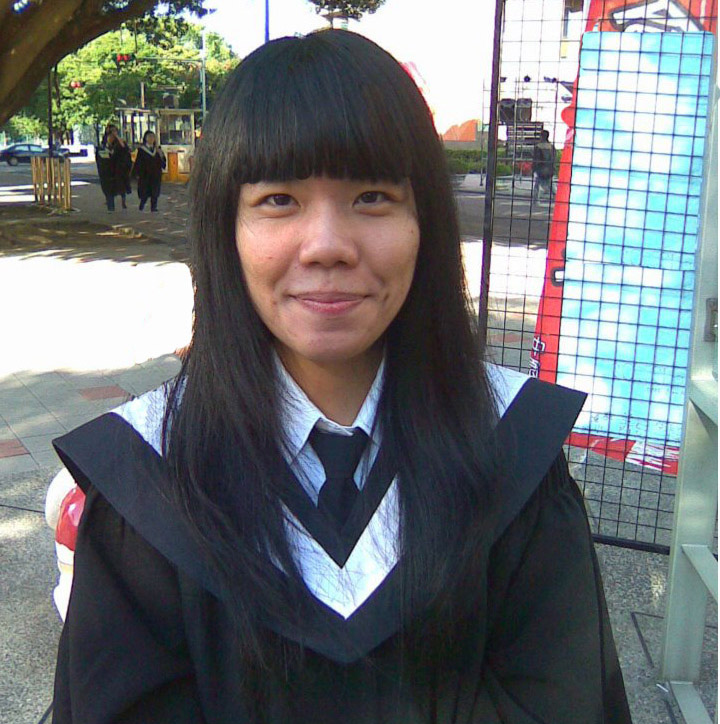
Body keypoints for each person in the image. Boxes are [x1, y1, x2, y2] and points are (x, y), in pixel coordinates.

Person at [52, 30, 631, 723]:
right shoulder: (150, 482)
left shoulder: (513, 454)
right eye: (279, 200)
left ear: (425, 224)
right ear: (225, 231)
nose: (327, 246)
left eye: (373, 197)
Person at [95, 125, 132, 211]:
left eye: (115, 132)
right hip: (107, 172)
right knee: (109, 190)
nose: (113, 136)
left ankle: (123, 201)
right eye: (111, 133)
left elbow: (125, 150)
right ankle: (110, 207)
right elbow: (99, 158)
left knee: (121, 187)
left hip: (118, 171)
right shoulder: (103, 146)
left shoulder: (119, 144)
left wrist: (117, 138)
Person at [132, 130, 166, 212]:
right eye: (149, 137)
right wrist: (137, 173)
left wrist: (161, 155)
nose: (151, 139)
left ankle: (153, 207)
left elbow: (162, 161)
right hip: (145, 175)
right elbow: (138, 163)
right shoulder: (141, 150)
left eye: (153, 137)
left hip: (156, 174)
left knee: (155, 191)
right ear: (145, 138)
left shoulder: (157, 150)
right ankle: (142, 204)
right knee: (145, 192)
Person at [532, 129, 556, 208]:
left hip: (540, 168)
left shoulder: (538, 147)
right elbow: (553, 158)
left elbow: (536, 159)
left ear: (541, 136)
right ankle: (557, 199)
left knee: (537, 185)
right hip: (549, 169)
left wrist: (534, 168)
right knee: (551, 185)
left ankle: (536, 200)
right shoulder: (551, 146)